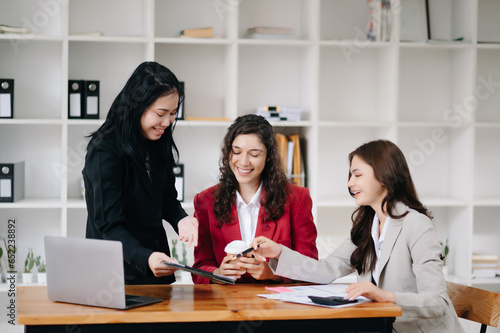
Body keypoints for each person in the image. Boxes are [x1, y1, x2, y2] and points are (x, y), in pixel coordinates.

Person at [251, 140, 465, 333]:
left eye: (357, 174)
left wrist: (385, 295)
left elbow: (438, 302)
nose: (349, 183)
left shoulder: (416, 225)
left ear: (384, 175)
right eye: (350, 175)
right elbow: (327, 269)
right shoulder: (367, 227)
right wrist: (279, 251)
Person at [83, 61, 198, 285]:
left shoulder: (156, 141)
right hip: (114, 276)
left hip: (156, 272)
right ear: (136, 106)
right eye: (161, 113)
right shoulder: (104, 151)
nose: (167, 123)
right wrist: (146, 257)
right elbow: (109, 226)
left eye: (173, 113)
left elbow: (165, 199)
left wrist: (181, 220)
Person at [192, 114, 318, 284]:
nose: (243, 162)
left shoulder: (297, 198)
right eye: (236, 152)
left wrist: (274, 273)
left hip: (276, 305)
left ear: (268, 157)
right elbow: (199, 267)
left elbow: (311, 267)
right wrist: (217, 273)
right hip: (225, 304)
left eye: (254, 154)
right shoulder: (205, 201)